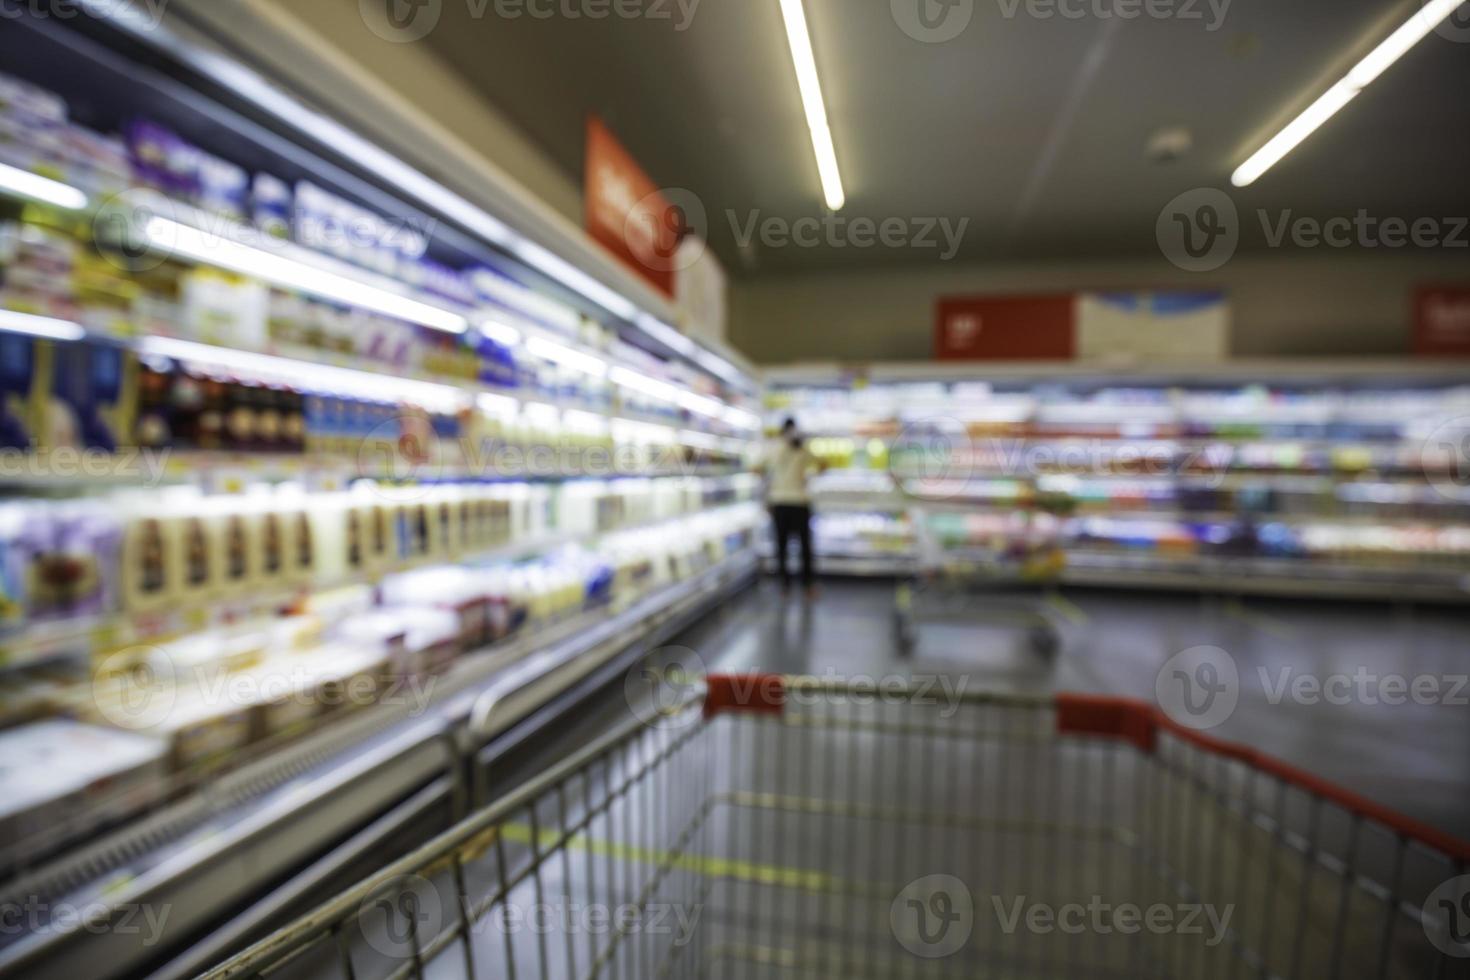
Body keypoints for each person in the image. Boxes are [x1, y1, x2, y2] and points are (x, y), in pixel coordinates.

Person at [762, 417, 824, 596]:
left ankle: (784, 585)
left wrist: (772, 481)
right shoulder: (802, 447)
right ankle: (807, 586)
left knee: (781, 545)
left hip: (779, 502)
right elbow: (823, 465)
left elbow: (756, 468)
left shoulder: (773, 447)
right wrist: (807, 477)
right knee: (805, 546)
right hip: (800, 502)